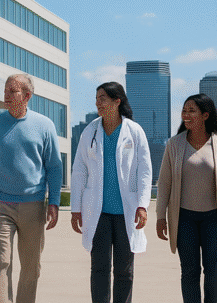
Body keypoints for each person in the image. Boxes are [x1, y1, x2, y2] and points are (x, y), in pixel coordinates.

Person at [0, 73, 63, 303]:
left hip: (33, 205)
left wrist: (53, 202)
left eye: (12, 91)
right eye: (5, 90)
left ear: (27, 96)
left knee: (31, 267)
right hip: (1, 205)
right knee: (2, 261)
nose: (6, 95)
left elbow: (54, 167)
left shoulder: (44, 126)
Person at [156, 93, 217, 303]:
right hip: (184, 219)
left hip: (214, 219)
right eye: (184, 110)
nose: (186, 115)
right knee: (190, 273)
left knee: (216, 272)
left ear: (205, 115)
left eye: (191, 111)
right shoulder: (174, 145)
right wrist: (160, 217)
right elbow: (164, 183)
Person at [70, 82, 153, 303]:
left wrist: (143, 205)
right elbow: (79, 170)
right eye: (97, 98)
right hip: (98, 213)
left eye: (103, 98)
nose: (98, 103)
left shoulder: (134, 132)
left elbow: (145, 171)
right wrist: (76, 209)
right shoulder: (90, 132)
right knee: (99, 268)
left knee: (125, 270)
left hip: (127, 211)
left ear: (117, 101)